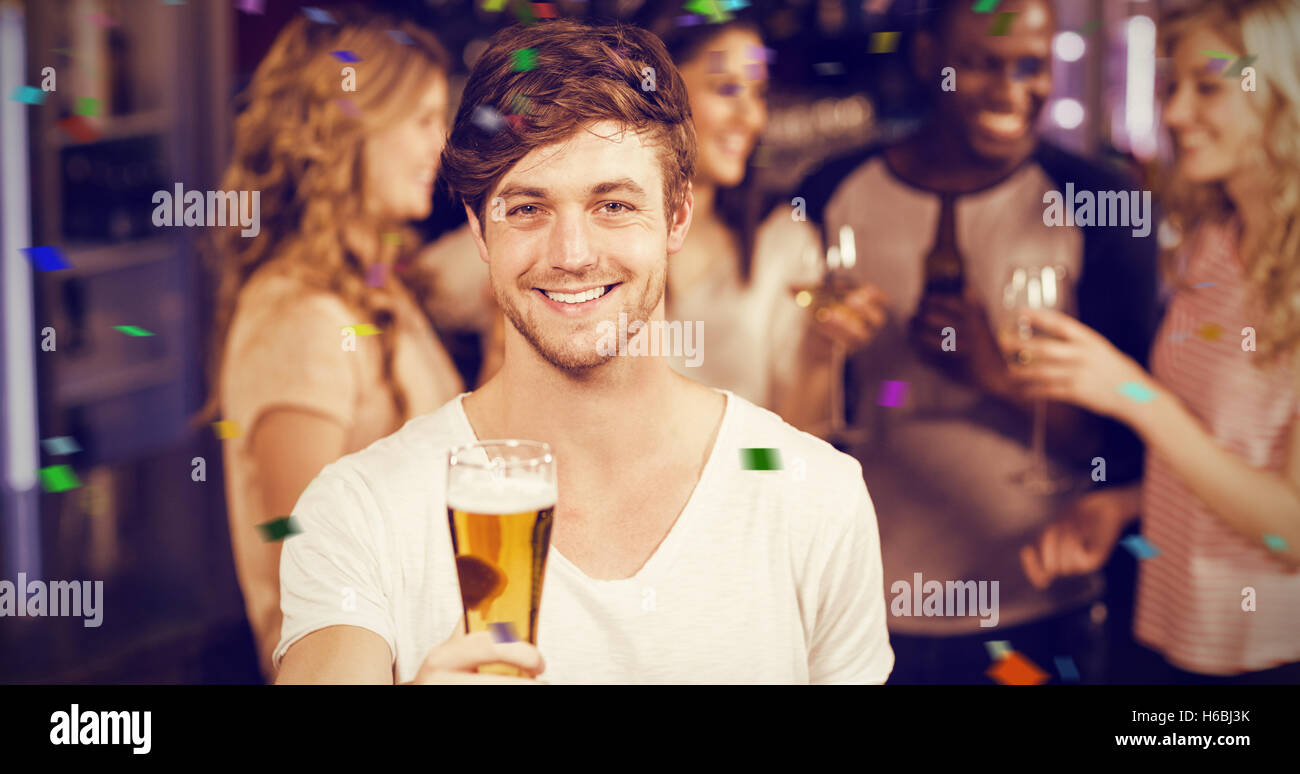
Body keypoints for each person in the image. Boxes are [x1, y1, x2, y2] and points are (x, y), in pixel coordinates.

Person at [273, 18, 893, 685]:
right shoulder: (357, 510)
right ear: (480, 230)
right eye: (528, 209)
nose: (571, 256)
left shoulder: (817, 498)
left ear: (676, 216)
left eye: (614, 205)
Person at [799, 0, 1159, 683]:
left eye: (1032, 65)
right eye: (980, 64)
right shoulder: (829, 193)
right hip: (866, 601)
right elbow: (794, 416)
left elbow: (1134, 450)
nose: (1012, 90)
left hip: (1039, 604)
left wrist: (995, 375)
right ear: (926, 58)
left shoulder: (1100, 202)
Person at [1012, 0, 1300, 683]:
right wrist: (1125, 503)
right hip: (1165, 628)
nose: (1173, 114)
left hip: (1262, 653)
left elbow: (1289, 533)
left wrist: (1131, 394)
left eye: (1208, 87)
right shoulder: (1214, 242)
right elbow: (1215, 444)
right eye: (1173, 87)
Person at [203, 10, 463, 681]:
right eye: (423, 119)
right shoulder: (300, 316)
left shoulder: (373, 287)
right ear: (352, 126)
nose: (443, 145)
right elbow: (315, 572)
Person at [633, 8, 887, 432]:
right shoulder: (581, 238)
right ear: (653, 91)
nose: (752, 118)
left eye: (758, 94)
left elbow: (796, 444)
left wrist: (823, 348)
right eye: (727, 89)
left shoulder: (783, 243)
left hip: (740, 495)